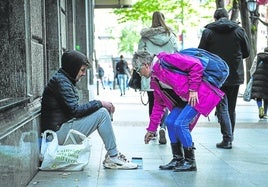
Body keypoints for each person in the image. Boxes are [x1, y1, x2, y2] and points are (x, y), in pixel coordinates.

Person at [41, 50, 138, 170]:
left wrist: (99, 105)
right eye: (82, 70)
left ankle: (112, 155)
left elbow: (73, 110)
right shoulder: (62, 82)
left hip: (60, 129)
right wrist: (99, 103)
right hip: (57, 134)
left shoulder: (63, 79)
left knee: (101, 111)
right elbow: (76, 111)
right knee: (102, 113)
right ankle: (113, 156)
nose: (84, 74)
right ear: (73, 68)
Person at [132, 50, 224, 172]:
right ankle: (178, 158)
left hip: (199, 95)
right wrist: (151, 129)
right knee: (169, 122)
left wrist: (193, 89)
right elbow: (158, 105)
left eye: (138, 70)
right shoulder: (155, 79)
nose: (139, 74)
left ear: (145, 64)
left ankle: (190, 161)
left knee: (180, 124)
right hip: (184, 100)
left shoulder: (167, 59)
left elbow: (196, 65)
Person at [198, 8, 250, 149]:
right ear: (228, 17)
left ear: (215, 18)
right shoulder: (239, 31)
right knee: (231, 107)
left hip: (216, 75)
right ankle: (229, 137)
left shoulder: (208, 32)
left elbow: (201, 53)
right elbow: (247, 52)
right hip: (235, 73)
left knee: (221, 106)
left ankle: (227, 139)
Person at [138, 11, 180, 144]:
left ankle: (153, 131)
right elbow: (176, 53)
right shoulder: (171, 35)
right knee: (166, 101)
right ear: (163, 19)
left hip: (151, 74)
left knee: (153, 102)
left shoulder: (145, 38)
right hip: (168, 74)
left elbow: (140, 56)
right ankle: (163, 127)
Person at [250, 47, 268, 119]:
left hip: (258, 78)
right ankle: (265, 113)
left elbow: (253, 68)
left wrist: (252, 76)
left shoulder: (258, 56)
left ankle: (260, 108)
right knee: (266, 97)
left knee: (258, 96)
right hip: (266, 79)